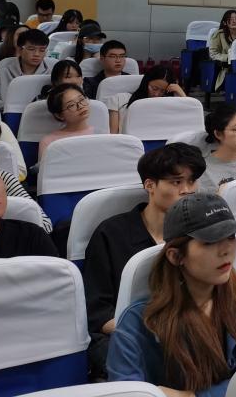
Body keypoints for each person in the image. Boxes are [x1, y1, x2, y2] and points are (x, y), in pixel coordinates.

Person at [107, 192, 236, 393]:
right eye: (209, 242)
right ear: (176, 256)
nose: (225, 250)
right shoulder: (137, 324)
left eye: (231, 236)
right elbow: (127, 391)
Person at [84, 144, 206, 377]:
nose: (187, 190)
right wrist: (154, 334)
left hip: (189, 330)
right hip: (126, 334)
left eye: (192, 181)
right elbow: (97, 312)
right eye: (176, 182)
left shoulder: (202, 231)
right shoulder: (111, 234)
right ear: (150, 185)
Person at [108, 65, 186, 134]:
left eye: (163, 91)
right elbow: (113, 136)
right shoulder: (119, 99)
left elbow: (187, 121)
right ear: (146, 83)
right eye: (154, 88)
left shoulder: (168, 106)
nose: (156, 94)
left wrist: (181, 93)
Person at [0, 27, 51, 108]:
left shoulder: (50, 72)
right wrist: (7, 108)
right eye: (31, 49)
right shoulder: (5, 68)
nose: (37, 54)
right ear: (19, 50)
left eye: (42, 50)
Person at [38, 83, 95, 159]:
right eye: (71, 105)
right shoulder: (49, 142)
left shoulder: (100, 133)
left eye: (81, 99)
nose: (81, 106)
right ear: (59, 115)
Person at [208, 10, 236, 91]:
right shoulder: (218, 35)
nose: (234, 21)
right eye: (231, 19)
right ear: (224, 22)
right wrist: (228, 57)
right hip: (226, 68)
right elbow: (213, 54)